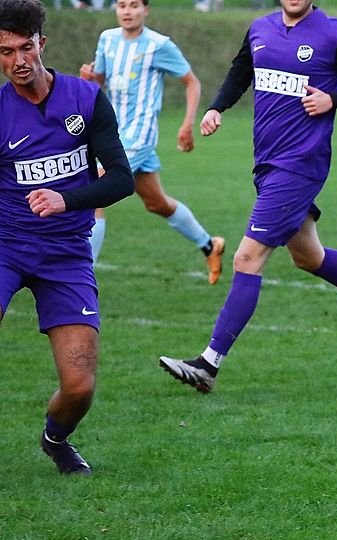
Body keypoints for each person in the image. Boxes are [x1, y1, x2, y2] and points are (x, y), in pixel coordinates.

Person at [158, 0, 337, 393]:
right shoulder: (260, 29)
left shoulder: (334, 34)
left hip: (300, 165)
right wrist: (216, 108)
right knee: (309, 257)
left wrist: (333, 100)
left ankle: (208, 365)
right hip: (267, 163)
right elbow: (241, 72)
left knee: (246, 259)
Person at [0, 0, 134, 474]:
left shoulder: (85, 99)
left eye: (25, 48)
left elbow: (122, 179)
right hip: (6, 248)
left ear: (42, 44)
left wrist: (66, 199)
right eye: (6, 52)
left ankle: (55, 440)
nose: (18, 61)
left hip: (66, 254)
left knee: (79, 387)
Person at [79, 0, 225, 284]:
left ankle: (83, 277)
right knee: (157, 203)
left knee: (93, 189)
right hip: (113, 132)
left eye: (134, 5)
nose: (127, 11)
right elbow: (99, 83)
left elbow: (192, 82)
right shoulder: (107, 39)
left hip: (140, 135)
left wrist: (187, 124)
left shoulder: (159, 45)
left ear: (145, 10)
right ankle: (210, 245)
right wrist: (89, 79)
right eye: (122, 5)